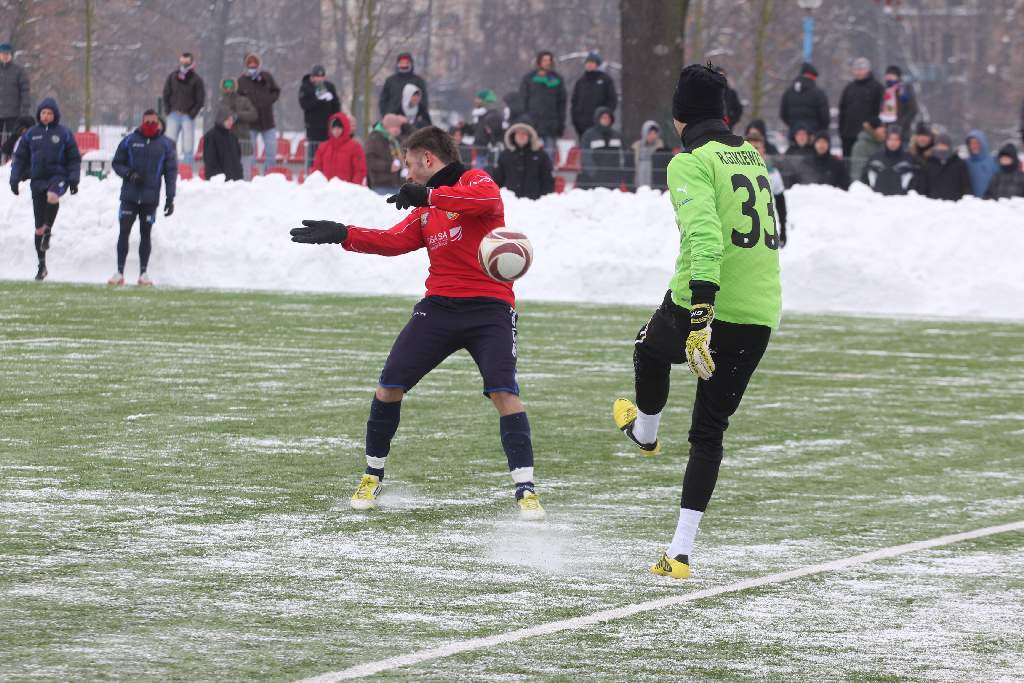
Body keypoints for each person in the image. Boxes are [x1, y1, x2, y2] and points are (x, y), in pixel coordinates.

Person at [290, 126, 545, 519]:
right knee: (389, 384)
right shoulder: (427, 212)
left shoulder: (473, 181)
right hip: (439, 308)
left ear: (428, 158)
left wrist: (427, 194)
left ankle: (526, 489)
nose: (406, 173)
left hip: (490, 309)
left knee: (503, 392)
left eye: (409, 165)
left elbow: (485, 200)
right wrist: (343, 234)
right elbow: (392, 241)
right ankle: (372, 476)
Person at [612, 64, 780, 581]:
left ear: (678, 116)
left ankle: (645, 433)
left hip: (702, 302)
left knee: (646, 348)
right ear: (725, 111)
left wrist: (702, 312)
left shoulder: (690, 161)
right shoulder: (751, 155)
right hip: (760, 311)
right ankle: (679, 555)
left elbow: (705, 236)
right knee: (709, 433)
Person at [9, 97, 81, 281]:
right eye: (43, 113)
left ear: (55, 115)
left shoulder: (64, 133)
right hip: (37, 180)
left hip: (58, 177)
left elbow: (74, 158)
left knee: (52, 196)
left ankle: (49, 229)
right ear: (39, 114)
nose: (46, 116)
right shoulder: (31, 134)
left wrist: (73, 179)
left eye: (49, 113)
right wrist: (15, 179)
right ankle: (42, 265)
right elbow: (20, 158)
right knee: (38, 229)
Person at [108, 109, 177, 286]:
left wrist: (170, 197)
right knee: (124, 232)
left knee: (145, 234)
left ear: (159, 124)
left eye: (154, 123)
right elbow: (117, 163)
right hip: (129, 197)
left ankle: (143, 273)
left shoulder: (166, 145)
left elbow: (170, 173)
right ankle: (119, 272)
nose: (151, 126)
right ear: (142, 122)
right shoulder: (130, 140)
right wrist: (130, 175)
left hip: (150, 199)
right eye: (147, 122)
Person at [238, 53, 281, 172]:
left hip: (267, 121)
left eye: (255, 66)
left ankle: (270, 174)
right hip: (250, 123)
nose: (253, 69)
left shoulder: (267, 77)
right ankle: (251, 174)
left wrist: (269, 100)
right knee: (250, 153)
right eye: (250, 66)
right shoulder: (241, 81)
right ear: (246, 67)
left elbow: (276, 91)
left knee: (271, 151)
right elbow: (237, 99)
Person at [520, 51, 566, 158]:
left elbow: (561, 103)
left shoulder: (557, 79)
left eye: (549, 60)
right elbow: (523, 100)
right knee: (529, 153)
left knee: (549, 154)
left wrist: (560, 123)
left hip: (551, 124)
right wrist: (525, 119)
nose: (547, 62)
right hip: (532, 123)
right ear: (539, 61)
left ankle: (547, 174)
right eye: (545, 60)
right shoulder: (529, 78)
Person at [161, 52, 205, 166]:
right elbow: (166, 93)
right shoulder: (172, 77)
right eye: (182, 61)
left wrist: (192, 113)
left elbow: (200, 99)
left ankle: (187, 169)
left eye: (187, 62)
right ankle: (170, 167)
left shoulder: (196, 79)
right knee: (169, 144)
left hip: (188, 116)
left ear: (191, 62)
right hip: (173, 115)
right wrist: (168, 110)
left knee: (188, 146)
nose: (184, 64)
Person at [746, 130, 788, 246]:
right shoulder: (732, 173)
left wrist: (783, 229)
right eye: (750, 147)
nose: (754, 151)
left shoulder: (773, 173)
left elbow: (780, 202)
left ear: (763, 150)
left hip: (765, 231)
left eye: (757, 148)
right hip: (740, 230)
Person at [492, 122, 554, 199]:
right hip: (510, 202)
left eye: (524, 133)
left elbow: (547, 180)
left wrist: (545, 199)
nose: (521, 136)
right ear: (513, 135)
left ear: (530, 136)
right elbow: (498, 179)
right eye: (518, 133)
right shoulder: (505, 155)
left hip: (534, 203)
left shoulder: (541, 155)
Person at [838, 57, 884, 159]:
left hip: (868, 136)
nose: (858, 72)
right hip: (848, 135)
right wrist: (841, 131)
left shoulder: (877, 87)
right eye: (856, 69)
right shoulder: (849, 88)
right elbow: (842, 111)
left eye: (861, 69)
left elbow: (881, 111)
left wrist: (875, 127)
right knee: (848, 162)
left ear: (868, 70)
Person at [298, 64, 341, 169]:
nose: (319, 79)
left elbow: (336, 105)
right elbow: (305, 105)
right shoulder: (306, 87)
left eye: (322, 77)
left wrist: (337, 121)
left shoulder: (329, 87)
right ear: (312, 77)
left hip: (328, 126)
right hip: (313, 127)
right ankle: (312, 172)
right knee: (314, 154)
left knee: (328, 153)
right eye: (317, 77)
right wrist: (319, 100)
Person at [570, 51, 618, 139]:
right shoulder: (580, 82)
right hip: (582, 126)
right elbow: (574, 103)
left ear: (597, 64)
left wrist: (605, 117)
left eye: (592, 63)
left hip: (600, 125)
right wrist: (576, 121)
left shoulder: (606, 80)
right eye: (588, 62)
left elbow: (612, 101)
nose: (589, 65)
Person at [311, 112, 366, 185]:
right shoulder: (323, 147)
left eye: (339, 128)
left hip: (346, 190)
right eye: (334, 128)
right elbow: (316, 169)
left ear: (345, 128)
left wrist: (354, 187)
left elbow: (359, 170)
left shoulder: (355, 147)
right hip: (326, 190)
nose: (336, 131)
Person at [215, 78, 258, 174]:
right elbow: (217, 120)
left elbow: (254, 114)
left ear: (235, 86)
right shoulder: (220, 103)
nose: (229, 88)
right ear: (223, 87)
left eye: (231, 85)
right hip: (226, 142)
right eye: (226, 86)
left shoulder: (243, 100)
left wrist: (238, 115)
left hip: (243, 141)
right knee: (227, 175)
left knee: (245, 173)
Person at [911, 133, 970, 201]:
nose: (941, 148)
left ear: (949, 146)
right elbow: (923, 187)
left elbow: (966, 186)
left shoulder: (959, 163)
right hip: (933, 205)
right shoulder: (928, 163)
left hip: (954, 206)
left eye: (944, 145)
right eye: (939, 145)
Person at [577, 106, 626, 189]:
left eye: (608, 117)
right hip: (594, 179)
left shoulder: (617, 135)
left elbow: (623, 156)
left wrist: (619, 173)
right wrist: (593, 172)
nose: (606, 120)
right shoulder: (589, 135)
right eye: (603, 117)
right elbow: (585, 156)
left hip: (614, 178)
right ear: (597, 118)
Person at [779, 62, 829, 141]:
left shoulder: (788, 93)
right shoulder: (819, 94)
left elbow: (783, 114)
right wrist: (819, 132)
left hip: (794, 135)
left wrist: (794, 127)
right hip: (813, 136)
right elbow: (825, 117)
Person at [862, 125, 915, 196]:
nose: (893, 142)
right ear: (886, 140)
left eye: (896, 139)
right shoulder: (875, 158)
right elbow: (864, 179)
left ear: (901, 141)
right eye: (890, 139)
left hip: (901, 202)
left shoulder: (908, 159)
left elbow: (914, 183)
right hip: (877, 200)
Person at [378, 52, 429, 120]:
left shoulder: (418, 81)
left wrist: (419, 114)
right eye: (402, 63)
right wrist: (385, 114)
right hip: (393, 117)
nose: (404, 65)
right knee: (377, 129)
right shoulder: (390, 81)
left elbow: (424, 100)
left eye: (406, 63)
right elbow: (383, 100)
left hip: (413, 118)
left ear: (411, 64)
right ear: (397, 64)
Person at [0, 42, 31, 154]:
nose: (5, 56)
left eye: (7, 54)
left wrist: (24, 111)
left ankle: (10, 161)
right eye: (3, 53)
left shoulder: (19, 71)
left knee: (12, 139)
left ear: (11, 55)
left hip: (13, 113)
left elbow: (25, 91)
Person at [365, 113, 407, 195]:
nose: (398, 130)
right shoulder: (373, 138)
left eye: (399, 127)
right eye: (395, 127)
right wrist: (388, 166)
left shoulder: (396, 139)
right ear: (387, 127)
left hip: (398, 184)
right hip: (381, 186)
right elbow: (369, 161)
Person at [201, 109, 244, 181]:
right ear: (221, 119)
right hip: (219, 183)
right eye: (228, 120)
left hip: (235, 182)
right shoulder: (211, 136)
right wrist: (218, 179)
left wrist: (239, 176)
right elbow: (210, 161)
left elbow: (237, 159)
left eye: (232, 120)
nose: (231, 122)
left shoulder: (233, 137)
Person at [879, 65, 918, 138]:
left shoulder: (904, 89)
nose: (888, 77)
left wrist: (901, 123)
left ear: (898, 77)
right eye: (887, 75)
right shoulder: (885, 91)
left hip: (902, 131)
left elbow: (913, 109)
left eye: (891, 75)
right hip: (887, 132)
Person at [632, 120, 669, 189]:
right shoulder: (636, 147)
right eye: (650, 133)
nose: (652, 136)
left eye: (655, 133)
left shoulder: (662, 148)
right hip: (639, 180)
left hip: (656, 183)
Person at [849, 117, 885, 183]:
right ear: (874, 130)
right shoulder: (861, 146)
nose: (884, 133)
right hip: (864, 186)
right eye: (882, 131)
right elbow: (857, 170)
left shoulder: (882, 144)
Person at [965, 130, 997, 198]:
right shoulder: (965, 163)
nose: (974, 146)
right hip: (971, 204)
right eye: (971, 143)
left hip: (991, 203)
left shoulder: (994, 161)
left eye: (976, 143)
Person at [717, 66, 743, 131]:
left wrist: (731, 121)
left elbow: (738, 110)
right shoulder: (707, 93)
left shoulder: (731, 93)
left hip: (727, 128)